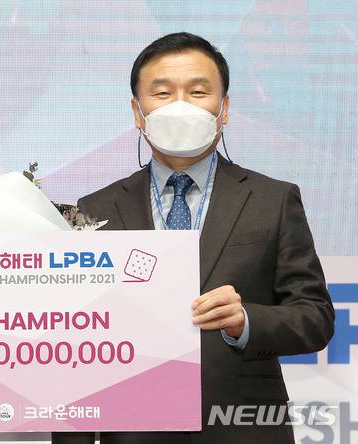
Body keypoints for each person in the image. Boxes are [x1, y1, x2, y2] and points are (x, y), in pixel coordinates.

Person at [53, 32, 335, 443]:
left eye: (198, 92)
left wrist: (246, 321)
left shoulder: (273, 200)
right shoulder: (95, 209)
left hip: (242, 427)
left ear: (224, 109)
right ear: (137, 112)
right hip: (134, 431)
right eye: (162, 93)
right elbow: (74, 339)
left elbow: (315, 317)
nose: (180, 105)